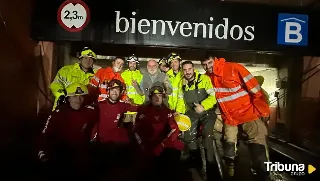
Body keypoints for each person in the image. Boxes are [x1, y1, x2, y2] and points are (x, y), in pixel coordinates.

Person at [201, 55, 270, 180]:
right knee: (229, 145)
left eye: (210, 63)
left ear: (215, 60)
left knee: (257, 145)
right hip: (230, 117)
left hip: (248, 114)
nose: (208, 67)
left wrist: (263, 111)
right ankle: (230, 172)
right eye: (204, 65)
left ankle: (263, 174)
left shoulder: (234, 68)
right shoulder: (207, 77)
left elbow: (256, 91)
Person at [37, 83, 98, 180]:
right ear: (68, 98)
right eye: (74, 96)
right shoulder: (58, 113)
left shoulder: (90, 113)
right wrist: (42, 153)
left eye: (81, 97)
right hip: (60, 157)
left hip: (80, 159)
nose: (78, 100)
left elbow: (94, 130)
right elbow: (45, 134)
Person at [133, 86, 187, 181]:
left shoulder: (169, 112)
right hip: (148, 147)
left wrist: (162, 145)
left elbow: (174, 130)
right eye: (154, 96)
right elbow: (136, 131)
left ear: (163, 98)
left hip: (164, 148)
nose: (157, 98)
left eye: (160, 96)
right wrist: (142, 146)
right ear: (150, 97)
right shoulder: (143, 111)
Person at [90, 79, 138, 180]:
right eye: (112, 89)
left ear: (121, 92)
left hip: (117, 147)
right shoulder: (99, 106)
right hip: (101, 146)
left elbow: (139, 109)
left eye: (117, 90)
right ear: (108, 91)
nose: (115, 92)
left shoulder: (123, 106)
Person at [177, 61, 217, 180]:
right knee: (189, 138)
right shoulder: (182, 83)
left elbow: (213, 96)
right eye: (185, 70)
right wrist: (179, 113)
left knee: (207, 136)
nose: (187, 72)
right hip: (192, 114)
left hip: (207, 112)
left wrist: (203, 106)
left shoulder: (204, 79)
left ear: (193, 69)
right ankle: (196, 165)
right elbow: (180, 101)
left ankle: (211, 168)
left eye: (189, 69)